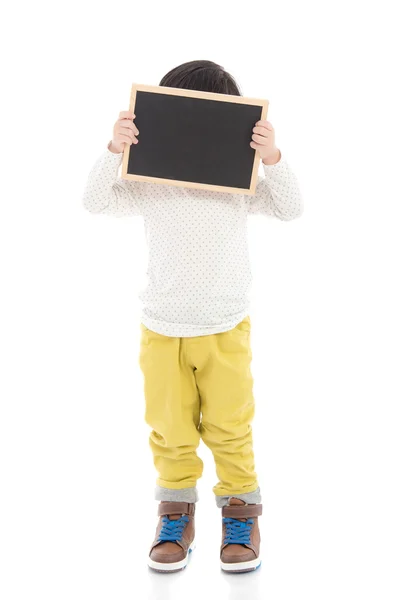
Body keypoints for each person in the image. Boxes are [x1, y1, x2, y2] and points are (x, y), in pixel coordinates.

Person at [82, 60, 303, 574]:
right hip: (162, 327)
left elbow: (291, 208)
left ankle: (241, 512)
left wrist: (272, 157)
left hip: (224, 327)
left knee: (230, 426)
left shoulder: (236, 185)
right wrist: (113, 149)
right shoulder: (150, 183)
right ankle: (176, 510)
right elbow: (94, 202)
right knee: (169, 427)